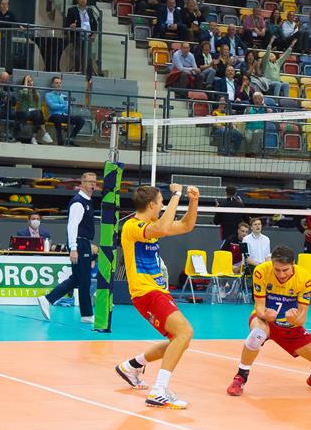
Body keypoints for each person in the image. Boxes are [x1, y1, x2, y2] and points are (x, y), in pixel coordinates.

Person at [113, 183, 200, 410]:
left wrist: (193, 201)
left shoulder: (152, 224)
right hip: (146, 292)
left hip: (156, 292)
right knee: (184, 333)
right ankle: (159, 391)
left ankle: (131, 366)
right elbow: (162, 228)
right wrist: (176, 195)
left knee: (178, 340)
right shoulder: (132, 227)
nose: (162, 205)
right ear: (152, 204)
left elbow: (187, 225)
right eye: (161, 202)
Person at [226, 245, 311, 396]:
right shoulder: (261, 271)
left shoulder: (305, 279)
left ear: (293, 264)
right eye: (277, 270)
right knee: (257, 334)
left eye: (285, 270)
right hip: (265, 321)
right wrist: (265, 315)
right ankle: (240, 378)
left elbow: (302, 318)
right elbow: (259, 307)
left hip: (290, 327)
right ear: (272, 264)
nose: (281, 274)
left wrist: (295, 319)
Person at [37, 172, 97, 322]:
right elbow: (72, 226)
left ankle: (48, 299)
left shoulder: (88, 201)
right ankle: (86, 314)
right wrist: (74, 247)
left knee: (78, 278)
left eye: (95, 182)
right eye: (90, 181)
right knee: (84, 279)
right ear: (82, 184)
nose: (93, 184)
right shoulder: (78, 202)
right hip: (79, 243)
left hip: (84, 243)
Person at [44, 76, 84, 146]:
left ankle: (70, 139)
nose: (58, 85)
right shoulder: (48, 95)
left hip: (63, 115)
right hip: (53, 116)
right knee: (57, 118)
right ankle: (60, 141)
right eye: (56, 83)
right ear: (52, 84)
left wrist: (61, 106)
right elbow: (52, 106)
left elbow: (67, 109)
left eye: (60, 83)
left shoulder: (64, 96)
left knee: (81, 120)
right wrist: (62, 105)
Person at [63, 0, 97, 73]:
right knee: (77, 55)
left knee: (87, 56)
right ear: (78, 0)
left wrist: (94, 34)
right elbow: (66, 23)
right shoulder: (72, 10)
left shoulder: (90, 10)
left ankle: (86, 72)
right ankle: (77, 71)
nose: (83, 1)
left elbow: (95, 24)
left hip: (87, 36)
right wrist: (71, 25)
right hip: (77, 35)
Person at [15, 75, 51, 144]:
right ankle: (44, 133)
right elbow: (25, 94)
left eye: (31, 81)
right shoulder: (21, 91)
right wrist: (25, 82)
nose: (30, 83)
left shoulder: (36, 93)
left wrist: (36, 111)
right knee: (37, 114)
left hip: (34, 114)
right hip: (24, 112)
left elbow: (38, 107)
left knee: (38, 114)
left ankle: (34, 138)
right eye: (28, 81)